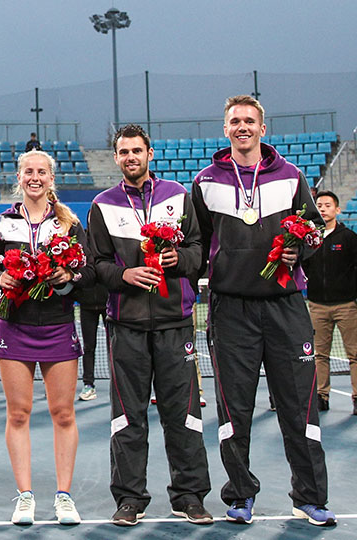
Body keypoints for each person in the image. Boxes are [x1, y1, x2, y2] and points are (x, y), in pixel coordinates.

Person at [191, 95, 334, 526]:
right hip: (231, 307)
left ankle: (307, 496)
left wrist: (300, 251)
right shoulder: (205, 181)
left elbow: (313, 231)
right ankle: (239, 495)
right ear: (225, 128)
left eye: (250, 121)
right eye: (235, 121)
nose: (242, 127)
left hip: (286, 306)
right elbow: (196, 246)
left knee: (299, 406)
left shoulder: (290, 177)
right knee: (235, 408)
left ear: (262, 129)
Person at [88, 124, 212, 527]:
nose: (130, 158)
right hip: (126, 325)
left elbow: (199, 249)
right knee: (128, 417)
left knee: (184, 414)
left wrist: (183, 261)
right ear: (116, 158)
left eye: (136, 151)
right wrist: (124, 276)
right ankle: (129, 499)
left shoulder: (179, 196)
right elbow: (96, 265)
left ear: (150, 153)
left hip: (176, 323)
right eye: (123, 152)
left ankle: (189, 496)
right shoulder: (102, 205)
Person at [0, 150, 95, 525]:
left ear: (51, 178)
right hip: (14, 325)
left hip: (58, 325)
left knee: (63, 413)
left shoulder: (69, 223)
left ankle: (64, 497)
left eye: (42, 172)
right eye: (28, 171)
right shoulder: (1, 223)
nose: (35, 177)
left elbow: (88, 271)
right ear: (19, 176)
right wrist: (0, 279)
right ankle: (25, 497)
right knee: (19, 413)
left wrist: (68, 278)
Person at [302, 190, 357, 415]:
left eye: (327, 205)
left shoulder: (349, 238)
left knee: (354, 355)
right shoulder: (309, 239)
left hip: (346, 306)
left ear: (337, 209)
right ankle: (321, 396)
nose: (323, 209)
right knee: (319, 355)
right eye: (320, 205)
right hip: (317, 305)